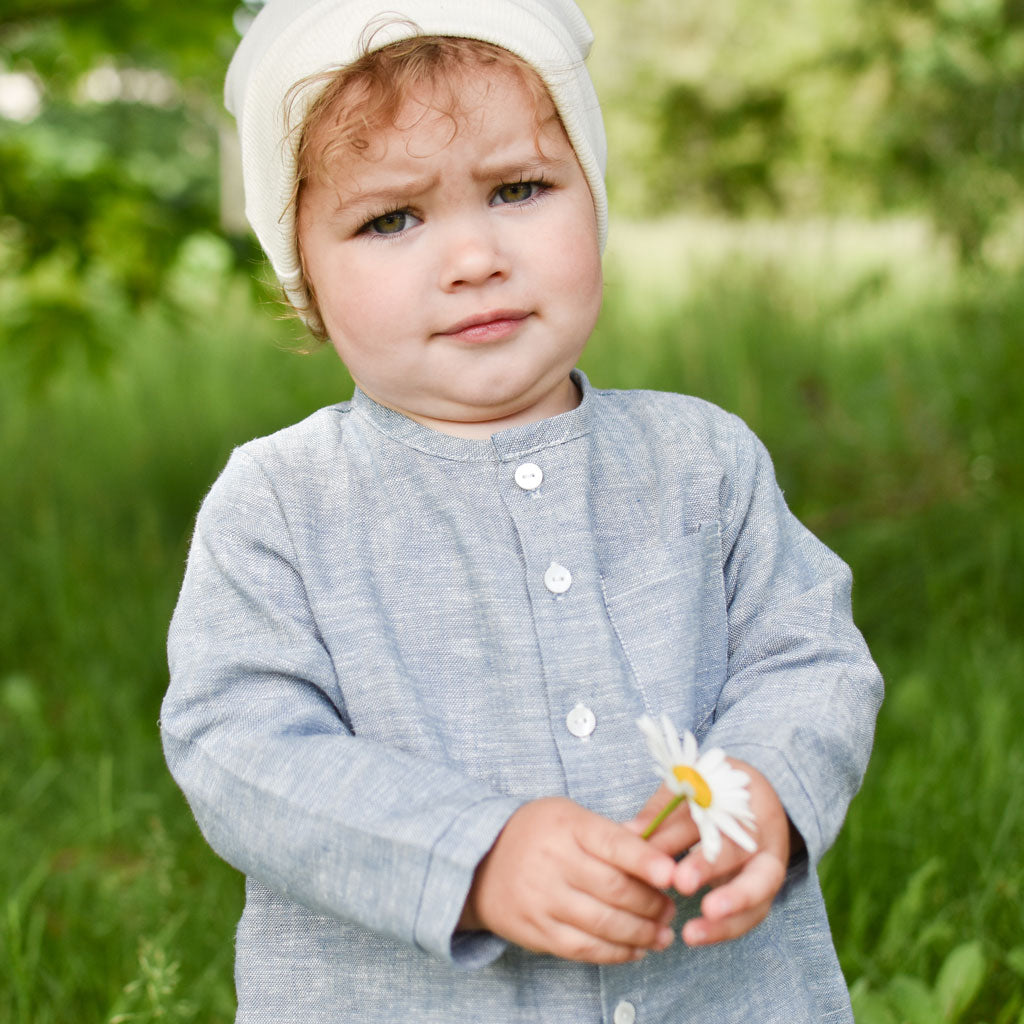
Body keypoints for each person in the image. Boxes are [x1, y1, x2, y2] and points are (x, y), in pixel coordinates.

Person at [160, 1, 883, 1021]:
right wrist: (473, 854)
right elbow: (239, 746)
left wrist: (762, 788)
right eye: (391, 219)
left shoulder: (702, 460)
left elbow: (806, 657)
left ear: (592, 199)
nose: (472, 258)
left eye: (519, 189)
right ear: (305, 284)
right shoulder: (279, 503)